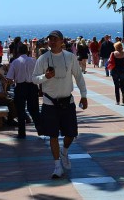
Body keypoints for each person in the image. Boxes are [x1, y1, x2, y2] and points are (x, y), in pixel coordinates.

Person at [32, 30, 88, 179]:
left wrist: (84, 95)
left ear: (62, 41)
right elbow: (34, 78)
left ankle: (64, 151)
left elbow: (78, 76)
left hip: (67, 101)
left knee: (71, 134)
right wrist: (45, 76)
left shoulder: (70, 57)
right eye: (50, 39)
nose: (52, 42)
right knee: (53, 135)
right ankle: (57, 166)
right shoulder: (43, 59)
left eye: (55, 39)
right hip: (50, 102)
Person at [6, 44, 40, 139]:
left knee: (20, 110)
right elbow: (40, 75)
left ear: (18, 51)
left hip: (20, 87)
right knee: (34, 110)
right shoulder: (34, 61)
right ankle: (40, 129)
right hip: (32, 86)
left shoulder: (15, 62)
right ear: (27, 51)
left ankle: (21, 133)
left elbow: (9, 78)